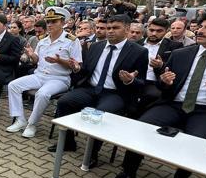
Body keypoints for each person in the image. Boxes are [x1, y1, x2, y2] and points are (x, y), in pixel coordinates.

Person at [105, 12, 206, 178]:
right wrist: (165, 82)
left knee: (197, 140)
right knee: (141, 127)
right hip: (173, 105)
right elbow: (163, 86)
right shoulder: (181, 53)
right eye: (201, 26)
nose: (201, 30)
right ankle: (127, 174)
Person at [49, 15, 148, 164]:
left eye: (115, 28)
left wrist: (130, 80)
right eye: (108, 28)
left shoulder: (139, 51)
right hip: (90, 89)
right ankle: (69, 143)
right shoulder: (96, 46)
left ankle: (92, 153)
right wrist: (77, 68)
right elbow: (86, 71)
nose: (110, 31)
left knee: (100, 114)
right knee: (64, 102)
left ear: (127, 29)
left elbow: (141, 82)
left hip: (115, 93)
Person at [6, 7, 82, 138]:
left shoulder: (72, 41)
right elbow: (36, 60)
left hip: (59, 78)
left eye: (54, 21)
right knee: (13, 85)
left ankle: (32, 124)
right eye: (48, 22)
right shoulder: (43, 41)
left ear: (63, 23)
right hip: (40, 75)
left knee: (42, 94)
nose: (50, 25)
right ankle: (20, 120)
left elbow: (77, 66)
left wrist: (59, 61)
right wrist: (31, 55)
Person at [137, 18, 183, 112]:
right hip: (135, 79)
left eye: (159, 31)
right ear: (147, 29)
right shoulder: (136, 44)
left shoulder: (174, 46)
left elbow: (177, 69)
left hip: (156, 82)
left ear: (166, 31)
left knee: (153, 96)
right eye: (151, 30)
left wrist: (161, 65)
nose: (154, 33)